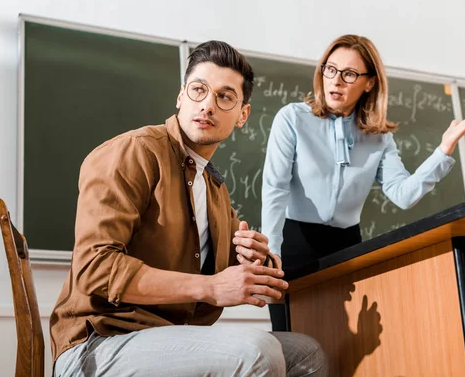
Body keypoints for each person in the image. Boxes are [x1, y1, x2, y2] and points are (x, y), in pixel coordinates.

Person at [50, 40, 328, 377]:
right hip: (97, 343)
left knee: (305, 352)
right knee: (257, 352)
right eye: (199, 90)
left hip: (167, 337)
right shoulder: (133, 153)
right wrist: (211, 288)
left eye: (225, 97)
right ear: (181, 97)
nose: (208, 105)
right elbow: (94, 268)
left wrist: (257, 261)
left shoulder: (213, 187)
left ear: (242, 115)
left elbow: (230, 268)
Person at [260, 34, 465, 332]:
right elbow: (275, 189)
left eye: (350, 74)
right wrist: (272, 255)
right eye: (330, 69)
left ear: (369, 83)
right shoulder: (292, 118)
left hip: (347, 247)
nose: (336, 80)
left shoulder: (379, 137)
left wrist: (442, 150)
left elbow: (403, 195)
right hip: (294, 242)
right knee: (289, 342)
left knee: (341, 344)